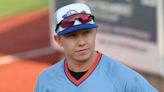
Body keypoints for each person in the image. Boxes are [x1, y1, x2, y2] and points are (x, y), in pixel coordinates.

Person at [34, 3, 158, 92]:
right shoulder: (46, 80)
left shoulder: (122, 77)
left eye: (86, 33)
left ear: (95, 32)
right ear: (58, 40)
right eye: (72, 36)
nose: (81, 42)